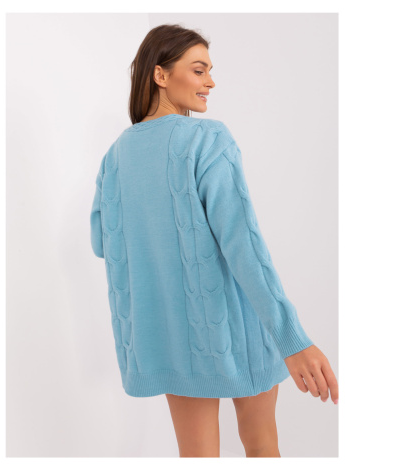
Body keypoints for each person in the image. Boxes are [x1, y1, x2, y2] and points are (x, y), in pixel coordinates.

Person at [90, 23, 338, 458]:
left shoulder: (115, 156)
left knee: (197, 457)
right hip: (237, 330)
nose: (211, 82)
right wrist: (292, 339)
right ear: (160, 74)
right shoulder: (207, 138)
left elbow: (102, 243)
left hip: (173, 341)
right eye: (199, 69)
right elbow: (243, 245)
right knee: (262, 447)